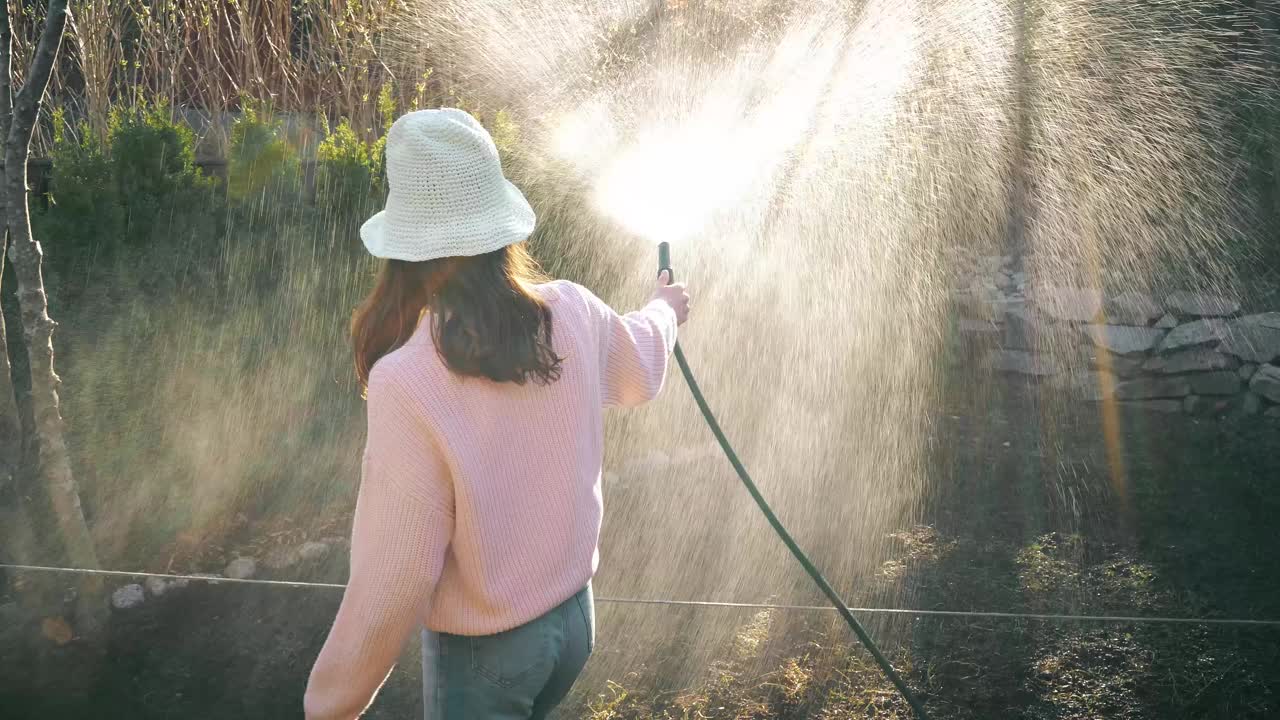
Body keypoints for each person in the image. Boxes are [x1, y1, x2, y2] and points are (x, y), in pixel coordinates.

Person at [303, 108, 690, 720]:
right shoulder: (575, 311)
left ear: (406, 246)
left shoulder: (406, 381)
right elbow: (641, 365)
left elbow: (397, 575)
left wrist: (329, 705)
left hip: (487, 658)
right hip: (573, 624)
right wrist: (666, 308)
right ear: (499, 221)